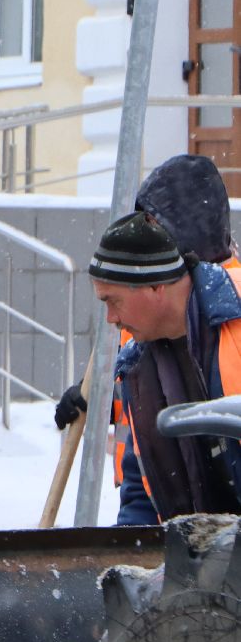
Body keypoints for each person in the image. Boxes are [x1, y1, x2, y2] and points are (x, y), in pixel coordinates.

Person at [54, 154, 238, 488]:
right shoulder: (150, 304)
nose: (145, 231)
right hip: (153, 489)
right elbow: (147, 379)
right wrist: (102, 395)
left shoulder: (225, 306)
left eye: (153, 221)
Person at [88, 210, 241, 524]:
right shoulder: (137, 366)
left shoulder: (235, 317)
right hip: (208, 558)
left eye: (112, 301)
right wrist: (134, 553)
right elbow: (140, 489)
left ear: (155, 287)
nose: (111, 319)